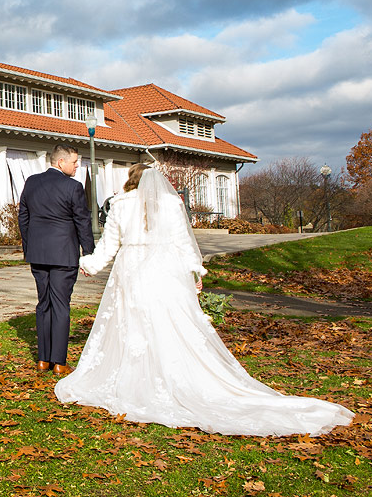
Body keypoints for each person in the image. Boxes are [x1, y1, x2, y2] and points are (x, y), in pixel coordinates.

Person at [55, 163, 354, 437]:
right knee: (169, 322)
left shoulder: (120, 204)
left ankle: (139, 379)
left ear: (130, 181)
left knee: (133, 322)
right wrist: (194, 270)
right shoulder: (171, 203)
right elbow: (183, 242)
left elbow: (109, 245)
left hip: (131, 268)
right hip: (164, 268)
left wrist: (90, 265)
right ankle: (169, 375)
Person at [18, 144, 95, 375]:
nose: (77, 165)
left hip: (38, 254)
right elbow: (83, 221)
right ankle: (59, 362)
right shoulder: (73, 187)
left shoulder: (31, 182)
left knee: (44, 304)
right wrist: (88, 254)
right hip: (64, 255)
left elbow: (23, 216)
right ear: (60, 162)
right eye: (75, 162)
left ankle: (43, 360)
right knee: (61, 305)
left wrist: (30, 247)